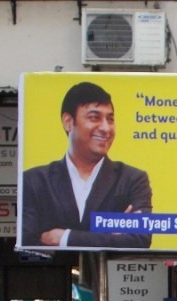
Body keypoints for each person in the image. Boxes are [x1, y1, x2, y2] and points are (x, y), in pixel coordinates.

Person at [21, 81, 152, 249]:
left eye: (110, 120)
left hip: (109, 273)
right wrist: (111, 235)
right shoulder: (34, 181)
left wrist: (65, 237)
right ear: (68, 122)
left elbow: (140, 239)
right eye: (94, 118)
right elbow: (28, 240)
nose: (106, 128)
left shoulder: (132, 179)